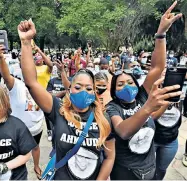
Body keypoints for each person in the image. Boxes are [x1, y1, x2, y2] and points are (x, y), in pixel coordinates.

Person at [18, 19, 115, 180]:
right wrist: (26, 42)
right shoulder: (59, 110)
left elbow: (110, 157)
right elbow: (31, 83)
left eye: (89, 88)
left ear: (94, 92)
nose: (83, 91)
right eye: (78, 87)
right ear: (70, 89)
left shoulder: (104, 119)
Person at [106, 2, 182, 180]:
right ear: (114, 91)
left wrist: (161, 34)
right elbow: (123, 131)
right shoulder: (112, 108)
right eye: (120, 84)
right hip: (125, 172)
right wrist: (147, 108)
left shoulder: (141, 95)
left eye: (130, 82)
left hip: (149, 169)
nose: (126, 86)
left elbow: (157, 66)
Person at [0, 42, 44, 180]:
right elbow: (6, 75)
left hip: (36, 127)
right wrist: (1, 58)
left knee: (35, 147)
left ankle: (36, 166)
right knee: (15, 153)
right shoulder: (16, 85)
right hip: (19, 129)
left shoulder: (40, 84)